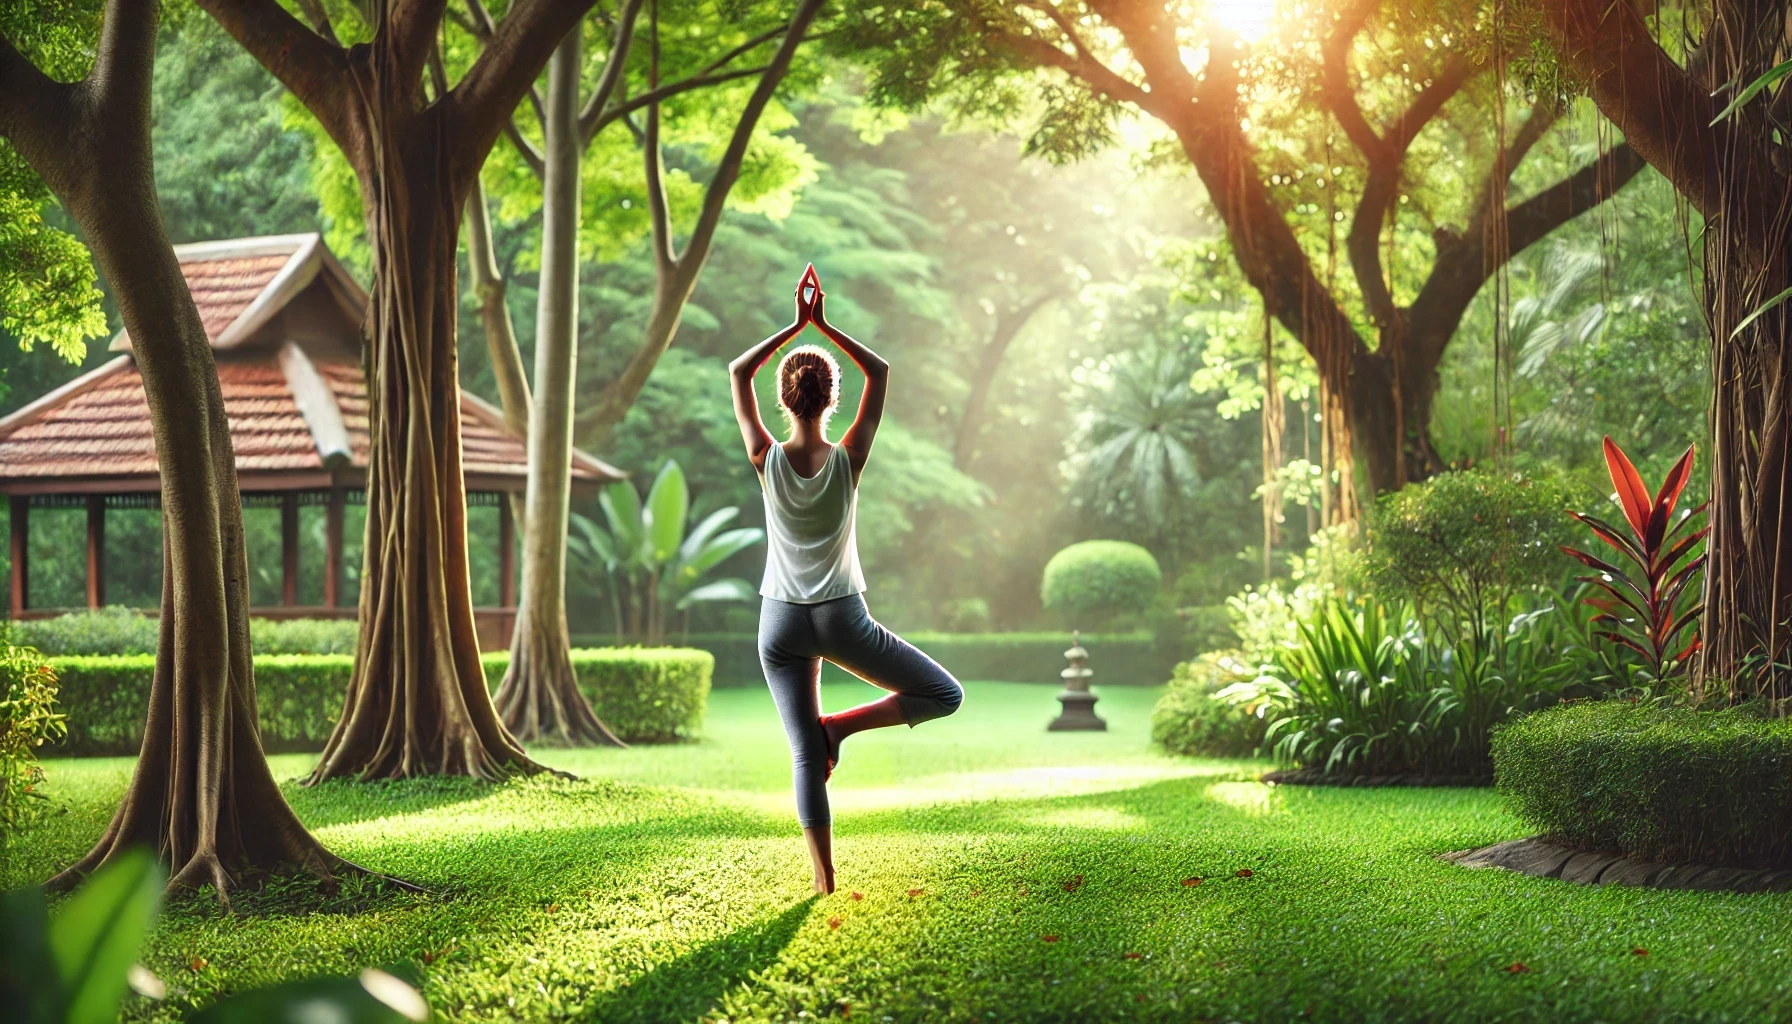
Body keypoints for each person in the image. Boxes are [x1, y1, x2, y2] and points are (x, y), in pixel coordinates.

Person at [729, 264, 964, 894]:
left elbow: (737, 373)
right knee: (944, 694)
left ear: (784, 398)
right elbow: (881, 373)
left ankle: (824, 881)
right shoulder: (849, 459)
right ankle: (843, 727)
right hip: (839, 616)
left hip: (778, 621)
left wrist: (793, 328)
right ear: (832, 399)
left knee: (804, 755)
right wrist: (824, 326)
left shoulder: (764, 460)